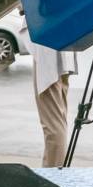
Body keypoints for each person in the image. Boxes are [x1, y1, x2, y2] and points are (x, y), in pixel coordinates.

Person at [21, 13, 78, 166]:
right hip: (61, 46)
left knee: (53, 125)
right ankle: (53, 168)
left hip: (48, 49)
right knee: (59, 120)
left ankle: (53, 172)